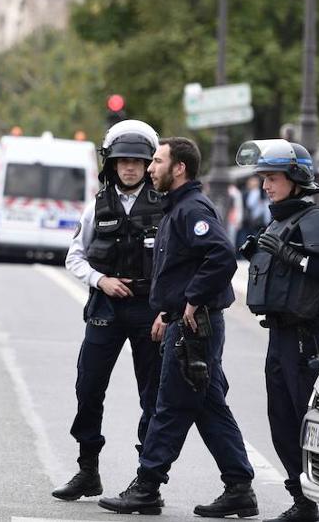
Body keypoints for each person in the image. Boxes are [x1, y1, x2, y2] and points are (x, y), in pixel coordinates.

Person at [100, 137, 258, 518]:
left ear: (179, 168)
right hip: (186, 322)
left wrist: (191, 299)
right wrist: (169, 311)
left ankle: (147, 486)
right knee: (208, 407)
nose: (150, 168)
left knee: (169, 405)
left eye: (157, 161)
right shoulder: (177, 208)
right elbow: (184, 267)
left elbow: (221, 256)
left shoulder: (192, 209)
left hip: (195, 326)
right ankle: (239, 487)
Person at [236, 140, 319, 522]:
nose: (266, 186)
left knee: (314, 426)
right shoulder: (280, 220)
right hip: (279, 335)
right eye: (263, 179)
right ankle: (302, 501)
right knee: (282, 421)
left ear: (295, 178)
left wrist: (296, 258)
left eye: (272, 178)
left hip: (306, 337)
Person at [52, 120, 164, 502]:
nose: (129, 167)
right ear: (111, 165)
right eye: (122, 161)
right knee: (88, 387)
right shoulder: (96, 206)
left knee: (151, 394)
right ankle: (87, 470)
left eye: (137, 161)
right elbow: (75, 257)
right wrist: (101, 280)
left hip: (150, 309)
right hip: (106, 306)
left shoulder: (165, 206)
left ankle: (146, 480)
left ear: (149, 164)